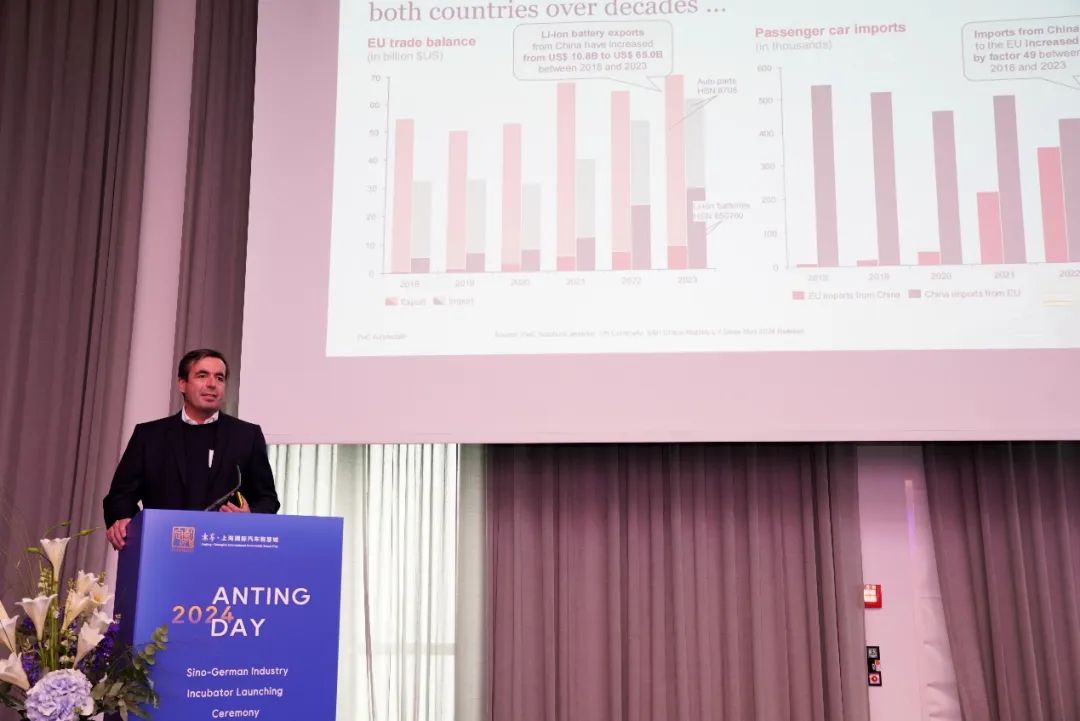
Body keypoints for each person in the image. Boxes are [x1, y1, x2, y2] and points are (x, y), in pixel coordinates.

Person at [103, 348, 280, 550]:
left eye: (219, 378)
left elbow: (267, 499)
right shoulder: (150, 436)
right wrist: (124, 519)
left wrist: (250, 517)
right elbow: (120, 496)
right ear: (182, 384)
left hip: (225, 550)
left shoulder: (246, 436)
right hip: (162, 548)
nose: (212, 384)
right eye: (202, 376)